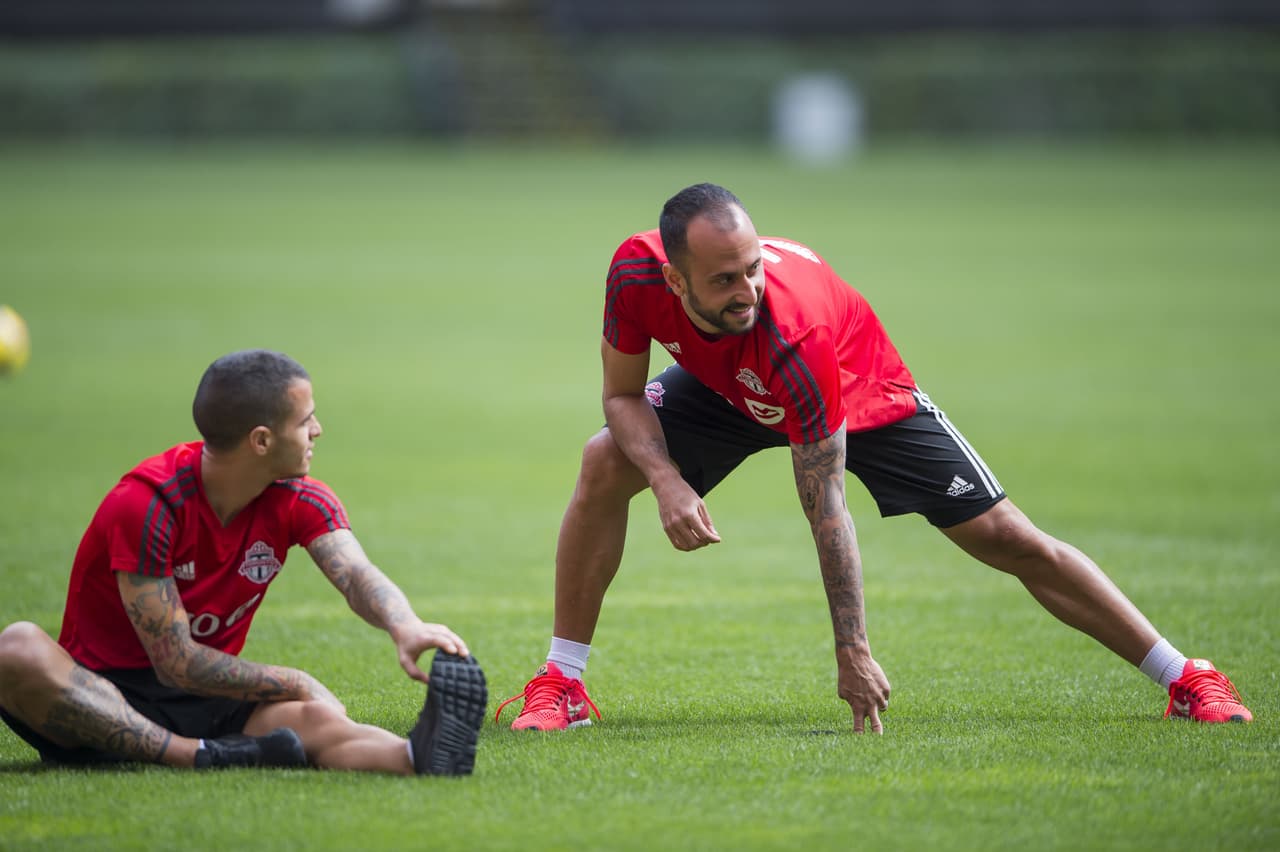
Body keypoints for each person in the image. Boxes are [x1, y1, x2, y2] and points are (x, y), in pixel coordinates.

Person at [494, 182, 1252, 734]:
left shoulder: (793, 334)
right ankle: (563, 684)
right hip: (726, 387)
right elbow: (621, 396)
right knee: (604, 463)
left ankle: (1187, 677)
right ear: (673, 276)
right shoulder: (634, 274)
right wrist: (665, 480)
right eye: (724, 279)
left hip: (854, 390)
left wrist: (852, 651)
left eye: (753, 268)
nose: (747, 289)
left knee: (1007, 538)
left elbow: (827, 511)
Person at [0, 349, 488, 773]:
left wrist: (405, 626)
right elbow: (175, 663)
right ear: (261, 441)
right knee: (17, 648)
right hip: (94, 702)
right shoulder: (147, 504)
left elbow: (356, 574)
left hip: (210, 699)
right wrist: (296, 681)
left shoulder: (299, 498)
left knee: (315, 720)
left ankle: (415, 757)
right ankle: (196, 756)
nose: (318, 430)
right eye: (305, 421)